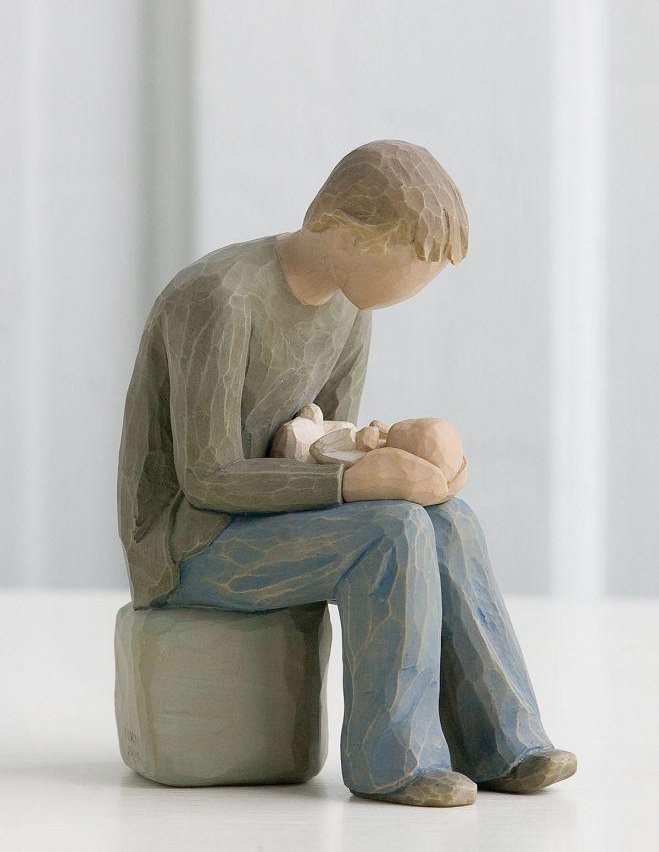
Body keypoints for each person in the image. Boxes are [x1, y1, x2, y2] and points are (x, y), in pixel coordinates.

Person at [118, 139, 576, 807]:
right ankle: (392, 760)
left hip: (270, 522)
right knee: (389, 533)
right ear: (346, 233)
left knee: (448, 520)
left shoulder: (350, 310)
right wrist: (359, 483)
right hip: (190, 541)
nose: (420, 284)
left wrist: (408, 464)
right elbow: (206, 476)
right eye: (413, 264)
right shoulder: (220, 297)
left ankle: (503, 742)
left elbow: (328, 446)